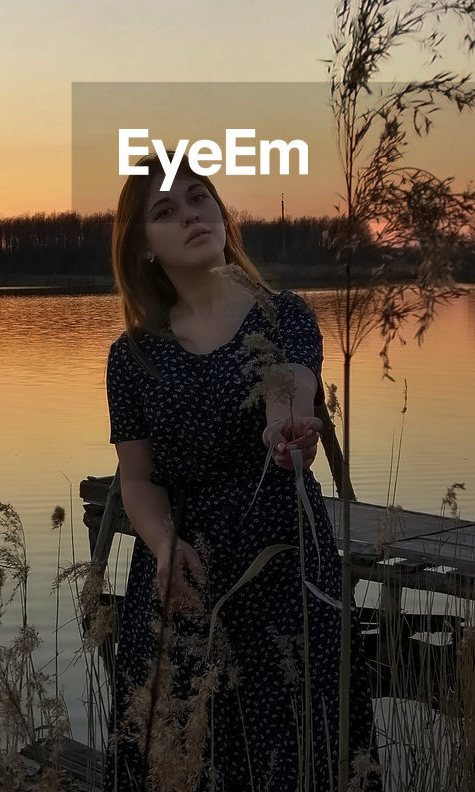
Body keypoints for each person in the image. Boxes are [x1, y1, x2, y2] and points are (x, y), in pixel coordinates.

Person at [102, 152, 381, 791]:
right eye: (165, 212)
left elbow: (291, 388)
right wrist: (163, 545)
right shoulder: (133, 356)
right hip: (183, 577)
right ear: (144, 246)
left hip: (282, 566)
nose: (191, 216)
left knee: (296, 751)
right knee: (181, 758)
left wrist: (287, 431)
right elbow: (137, 478)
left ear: (221, 212)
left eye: (199, 198)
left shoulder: (281, 315)